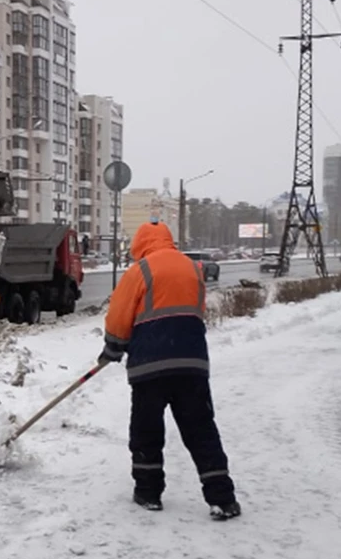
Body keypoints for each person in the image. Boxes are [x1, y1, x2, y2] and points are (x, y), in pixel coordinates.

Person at [99, 217, 241, 521]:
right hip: (192, 365)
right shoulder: (193, 268)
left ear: (140, 244)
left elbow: (119, 316)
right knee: (201, 429)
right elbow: (195, 311)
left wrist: (113, 347)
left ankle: (149, 493)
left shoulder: (140, 270)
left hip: (150, 367)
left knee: (147, 430)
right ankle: (223, 498)